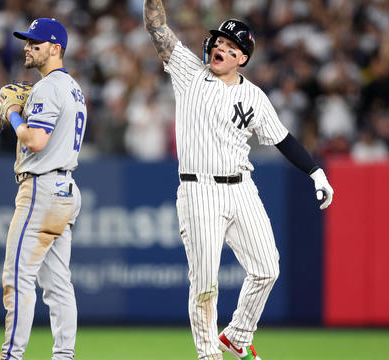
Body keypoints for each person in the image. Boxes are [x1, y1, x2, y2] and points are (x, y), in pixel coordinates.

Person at [143, 2, 334, 360]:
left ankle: (237, 336)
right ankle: (208, 354)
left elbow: (282, 139)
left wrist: (316, 171)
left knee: (267, 268)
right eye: (219, 41)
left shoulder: (254, 96)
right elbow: (158, 30)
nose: (222, 48)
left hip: (242, 187)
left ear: (242, 59)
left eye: (232, 47)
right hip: (199, 189)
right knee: (204, 284)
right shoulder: (189, 72)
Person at [0, 18, 87, 360]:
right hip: (65, 189)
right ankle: (64, 356)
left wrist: (14, 114)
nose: (28, 47)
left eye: (36, 42)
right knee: (57, 284)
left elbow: (35, 140)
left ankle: (11, 355)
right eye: (27, 41)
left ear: (56, 48)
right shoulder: (74, 88)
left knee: (18, 276)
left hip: (42, 188)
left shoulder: (48, 87)